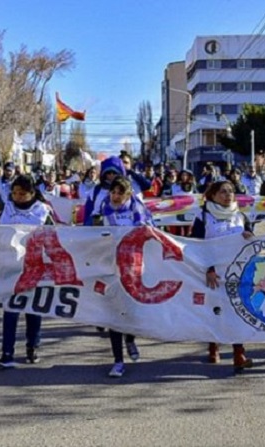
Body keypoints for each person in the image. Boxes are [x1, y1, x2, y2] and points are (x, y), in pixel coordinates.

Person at [189, 180, 255, 372]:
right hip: (214, 272)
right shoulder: (203, 216)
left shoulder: (241, 216)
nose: (228, 195)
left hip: (237, 272)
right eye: (223, 192)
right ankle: (213, 345)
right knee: (216, 311)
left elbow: (253, 243)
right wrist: (208, 269)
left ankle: (239, 353)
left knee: (238, 311)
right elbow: (197, 245)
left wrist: (250, 237)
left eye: (231, 192)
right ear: (213, 195)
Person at [0, 174, 55, 369]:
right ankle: (7, 353)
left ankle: (32, 346)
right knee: (10, 310)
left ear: (32, 193)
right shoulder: (6, 209)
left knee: (32, 310)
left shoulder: (43, 211)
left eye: (22, 193)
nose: (17, 196)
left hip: (34, 267)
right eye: (15, 193)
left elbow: (56, 237)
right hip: (10, 267)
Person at [94, 176, 154, 378]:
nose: (116, 196)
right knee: (114, 312)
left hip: (133, 264)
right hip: (111, 263)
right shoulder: (104, 206)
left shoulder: (137, 208)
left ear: (128, 194)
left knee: (130, 309)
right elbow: (98, 231)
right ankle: (118, 361)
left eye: (120, 193)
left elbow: (145, 232)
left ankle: (130, 338)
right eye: (113, 192)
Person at [83, 156, 126, 226]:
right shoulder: (96, 190)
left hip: (120, 228)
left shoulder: (127, 190)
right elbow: (88, 212)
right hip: (98, 229)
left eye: (114, 173)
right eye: (109, 173)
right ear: (104, 174)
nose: (111, 175)